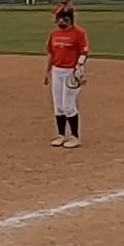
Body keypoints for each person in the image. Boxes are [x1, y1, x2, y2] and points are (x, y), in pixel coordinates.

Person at [45, 10, 90, 149]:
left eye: (60, 19)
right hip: (57, 71)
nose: (58, 22)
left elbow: (84, 53)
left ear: (68, 19)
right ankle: (61, 135)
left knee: (68, 105)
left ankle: (75, 137)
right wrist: (47, 72)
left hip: (71, 72)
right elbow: (51, 54)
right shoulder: (54, 34)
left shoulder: (79, 34)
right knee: (58, 106)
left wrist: (79, 69)